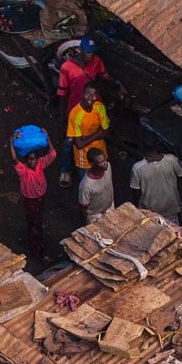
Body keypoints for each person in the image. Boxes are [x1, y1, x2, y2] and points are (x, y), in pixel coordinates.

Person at [55, 37, 109, 183]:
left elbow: (104, 76)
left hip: (93, 108)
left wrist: (118, 83)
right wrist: (63, 115)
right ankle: (65, 170)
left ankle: (93, 166)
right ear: (81, 50)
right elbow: (62, 93)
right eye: (88, 52)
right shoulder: (66, 68)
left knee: (93, 135)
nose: (91, 55)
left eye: (92, 52)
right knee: (70, 142)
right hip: (75, 109)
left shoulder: (97, 61)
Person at [11, 137, 53, 262]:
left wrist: (48, 138)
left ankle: (36, 246)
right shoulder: (23, 170)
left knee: (36, 222)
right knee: (35, 225)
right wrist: (11, 142)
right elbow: (14, 159)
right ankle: (38, 249)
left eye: (34, 159)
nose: (32, 161)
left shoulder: (40, 164)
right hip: (30, 200)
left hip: (40, 198)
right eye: (30, 159)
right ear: (26, 160)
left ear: (37, 159)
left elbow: (52, 154)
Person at [65, 83, 109, 190]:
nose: (90, 97)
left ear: (97, 96)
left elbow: (106, 132)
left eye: (94, 95)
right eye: (88, 94)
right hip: (84, 158)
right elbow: (79, 145)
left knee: (102, 181)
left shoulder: (99, 107)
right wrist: (98, 133)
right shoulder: (75, 114)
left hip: (100, 153)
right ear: (82, 93)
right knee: (87, 184)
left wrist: (85, 138)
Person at [129, 147, 182, 221]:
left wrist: (138, 209)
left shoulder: (137, 168)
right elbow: (181, 173)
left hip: (149, 210)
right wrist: (178, 154)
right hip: (170, 206)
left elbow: (136, 192)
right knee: (172, 226)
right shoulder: (172, 160)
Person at [77, 149, 114, 225]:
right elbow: (83, 208)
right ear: (92, 164)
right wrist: (86, 226)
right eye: (101, 162)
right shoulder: (86, 185)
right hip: (95, 216)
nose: (105, 163)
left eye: (105, 160)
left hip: (109, 208)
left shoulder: (108, 167)